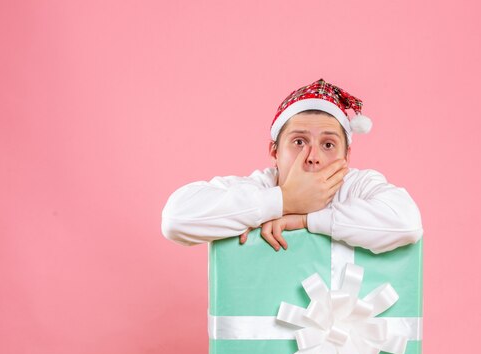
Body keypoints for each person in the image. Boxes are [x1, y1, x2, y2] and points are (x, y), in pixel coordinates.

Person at [161, 79, 423, 254]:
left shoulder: (359, 186)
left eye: (328, 145)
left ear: (347, 155)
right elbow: (176, 218)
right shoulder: (260, 185)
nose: (312, 156)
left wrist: (306, 220)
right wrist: (283, 200)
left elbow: (407, 224)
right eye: (299, 141)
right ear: (274, 151)